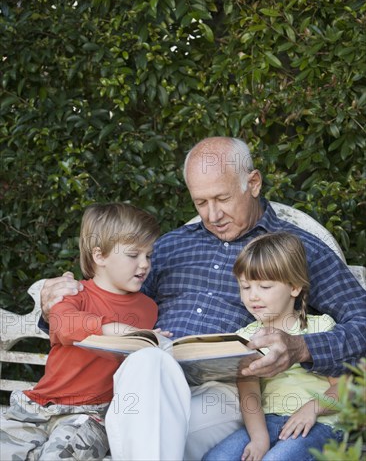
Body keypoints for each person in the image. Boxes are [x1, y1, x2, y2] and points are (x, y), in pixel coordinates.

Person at [39, 137, 366, 460]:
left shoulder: (292, 249)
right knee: (148, 360)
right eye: (200, 202)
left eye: (222, 198)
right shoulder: (169, 247)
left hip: (225, 393)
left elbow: (362, 321)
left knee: (149, 426)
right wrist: (54, 305)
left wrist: (302, 347)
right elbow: (110, 301)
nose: (212, 215)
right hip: (147, 385)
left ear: (252, 183)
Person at [1, 202, 164, 460]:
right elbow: (63, 325)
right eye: (134, 255)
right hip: (42, 406)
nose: (144, 264)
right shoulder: (73, 293)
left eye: (149, 255)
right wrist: (109, 328)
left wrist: (155, 341)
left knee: (59, 455)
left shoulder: (148, 309)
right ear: (99, 256)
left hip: (91, 416)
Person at [203, 232, 343, 461]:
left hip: (321, 422)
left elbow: (347, 388)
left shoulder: (320, 327)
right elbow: (249, 392)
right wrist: (259, 438)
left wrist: (312, 409)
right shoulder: (245, 338)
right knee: (217, 458)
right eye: (245, 287)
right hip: (267, 421)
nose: (253, 297)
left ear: (294, 287)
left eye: (264, 286)